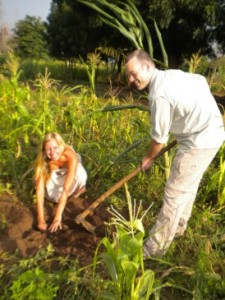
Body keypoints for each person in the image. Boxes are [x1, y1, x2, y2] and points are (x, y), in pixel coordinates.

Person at [125, 49, 225, 257]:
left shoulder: (159, 94)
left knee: (174, 193)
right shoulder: (171, 75)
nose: (131, 79)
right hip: (213, 131)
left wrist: (148, 158)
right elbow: (200, 81)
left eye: (134, 73)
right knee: (188, 186)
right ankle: (178, 227)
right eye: (128, 75)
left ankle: (154, 250)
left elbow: (159, 139)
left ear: (147, 66)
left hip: (199, 140)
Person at [34, 132, 87, 233]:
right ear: (44, 150)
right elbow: (40, 192)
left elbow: (66, 189)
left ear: (61, 145)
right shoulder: (43, 159)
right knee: (54, 198)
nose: (52, 152)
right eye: (49, 149)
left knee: (81, 175)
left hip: (70, 171)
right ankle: (69, 193)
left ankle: (78, 190)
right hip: (56, 173)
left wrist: (57, 218)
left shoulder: (70, 156)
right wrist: (40, 220)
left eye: (55, 147)